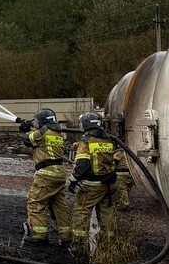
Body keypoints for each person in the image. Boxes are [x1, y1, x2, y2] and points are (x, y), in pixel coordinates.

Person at [18, 108, 71, 245]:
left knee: (35, 202)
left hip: (46, 174)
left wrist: (23, 131)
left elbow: (28, 140)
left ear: (42, 121)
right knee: (60, 206)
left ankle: (39, 235)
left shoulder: (42, 133)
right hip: (60, 174)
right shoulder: (57, 133)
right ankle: (66, 237)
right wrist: (31, 129)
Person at [69, 112, 118, 254]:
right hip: (109, 183)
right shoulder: (108, 139)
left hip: (92, 185)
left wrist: (73, 180)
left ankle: (78, 246)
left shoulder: (86, 141)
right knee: (107, 213)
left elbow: (82, 164)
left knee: (81, 211)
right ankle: (109, 245)